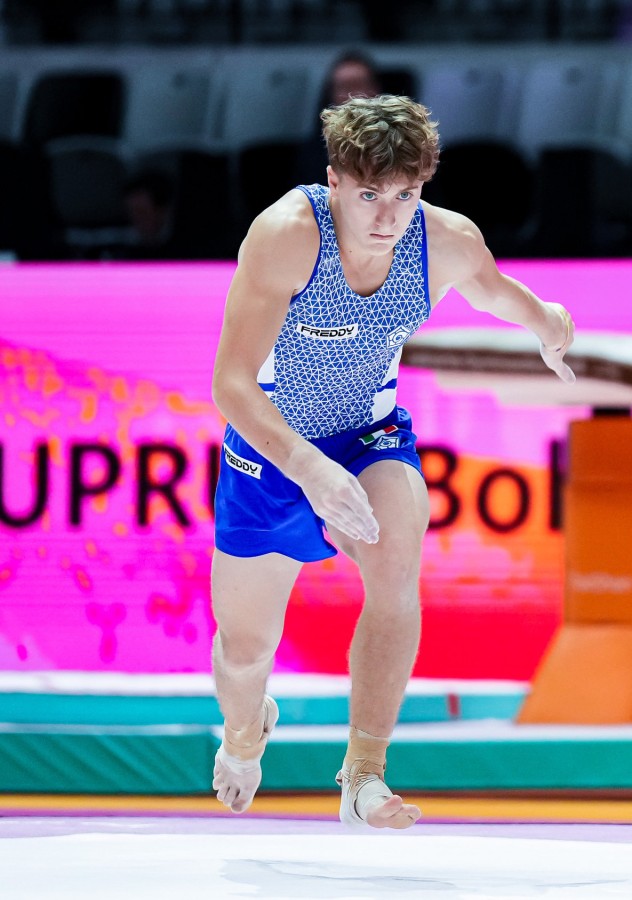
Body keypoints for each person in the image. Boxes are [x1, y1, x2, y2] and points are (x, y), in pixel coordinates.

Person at [209, 94, 574, 829]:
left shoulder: (446, 240)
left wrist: (548, 323)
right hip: (272, 449)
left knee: (397, 553)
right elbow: (231, 385)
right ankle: (245, 734)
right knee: (245, 653)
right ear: (335, 181)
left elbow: (495, 292)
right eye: (369, 195)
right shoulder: (286, 235)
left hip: (370, 436)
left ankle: (364, 776)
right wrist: (310, 470)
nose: (387, 217)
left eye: (405, 195)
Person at [294, 50, 383, 186]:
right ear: (331, 95)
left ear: (376, 90)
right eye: (344, 87)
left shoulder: (402, 145)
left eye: (358, 85)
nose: (352, 95)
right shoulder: (313, 154)